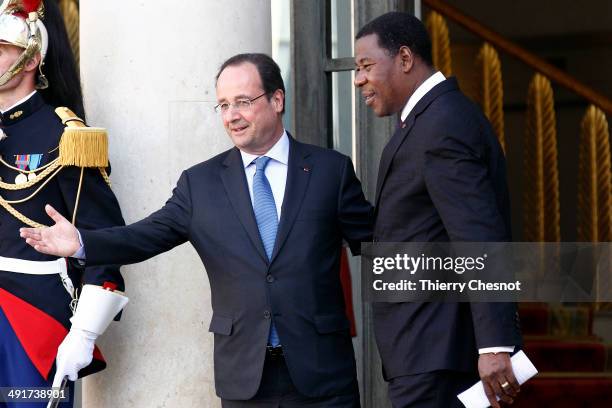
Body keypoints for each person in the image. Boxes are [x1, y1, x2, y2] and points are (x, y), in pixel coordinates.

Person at [21, 53, 372, 407]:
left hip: (324, 374)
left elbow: (376, 242)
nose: (231, 115)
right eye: (222, 105)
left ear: (277, 100)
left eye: (243, 102)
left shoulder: (331, 171)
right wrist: (82, 242)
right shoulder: (200, 184)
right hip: (245, 378)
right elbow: (144, 236)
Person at [353, 12, 522, 408]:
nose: (358, 79)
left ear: (406, 59)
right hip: (426, 351)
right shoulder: (426, 121)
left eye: (366, 66)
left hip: (436, 353)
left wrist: (495, 345)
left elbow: (477, 235)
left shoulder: (442, 123)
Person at [0, 1, 127, 407]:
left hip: (30, 316)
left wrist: (86, 333)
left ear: (31, 58)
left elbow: (105, 241)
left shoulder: (67, 135)